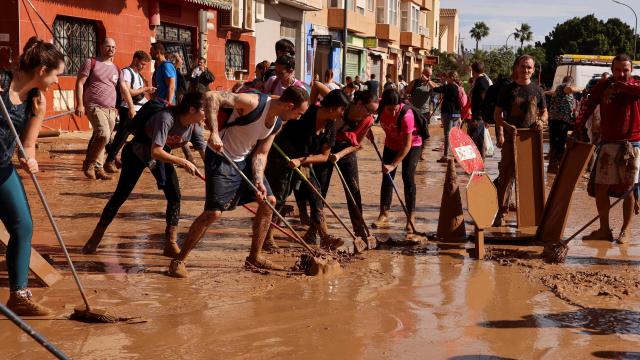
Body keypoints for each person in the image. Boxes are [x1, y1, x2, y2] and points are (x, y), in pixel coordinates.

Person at [166, 87, 310, 277]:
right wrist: (214, 133)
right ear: (290, 106)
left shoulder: (277, 123)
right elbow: (211, 96)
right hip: (220, 157)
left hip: (244, 160)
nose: (298, 118)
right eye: (298, 113)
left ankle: (254, 257)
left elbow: (261, 153)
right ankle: (179, 260)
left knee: (269, 201)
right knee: (213, 213)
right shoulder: (253, 103)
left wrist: (258, 180)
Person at [83, 92, 207, 256]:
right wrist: (183, 162)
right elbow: (156, 152)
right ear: (192, 109)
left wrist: (214, 177)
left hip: (162, 154)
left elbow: (204, 153)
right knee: (121, 195)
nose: (209, 114)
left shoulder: (195, 127)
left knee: (175, 196)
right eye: (206, 110)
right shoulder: (166, 118)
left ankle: (170, 243)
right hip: (138, 151)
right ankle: (96, 237)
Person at [1, 37, 64, 315]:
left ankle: (19, 296)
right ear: (41, 70)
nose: (58, 81)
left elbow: (27, 145)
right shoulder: (0, 82)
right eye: (57, 74)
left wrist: (31, 159)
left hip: (2, 169)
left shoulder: (37, 102)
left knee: (23, 226)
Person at [263, 89, 349, 250]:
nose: (342, 114)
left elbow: (324, 156)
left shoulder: (330, 126)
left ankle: (325, 237)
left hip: (302, 160)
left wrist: (302, 160)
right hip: (281, 157)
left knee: (316, 194)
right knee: (279, 197)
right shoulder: (307, 113)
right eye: (341, 109)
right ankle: (267, 238)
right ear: (332, 107)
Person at [575, 54, 640, 244]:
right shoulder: (602, 86)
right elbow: (587, 106)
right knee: (600, 188)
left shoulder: (635, 85)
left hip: (632, 144)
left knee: (629, 189)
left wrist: (617, 86)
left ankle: (625, 231)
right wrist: (577, 127)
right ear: (612, 70)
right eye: (618, 70)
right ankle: (604, 229)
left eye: (625, 70)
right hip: (608, 142)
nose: (621, 73)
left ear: (631, 70)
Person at [313, 86, 379, 239]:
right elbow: (316, 86)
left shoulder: (368, 120)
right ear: (359, 103)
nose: (370, 115)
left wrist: (340, 155)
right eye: (369, 110)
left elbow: (357, 145)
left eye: (373, 112)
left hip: (346, 151)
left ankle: (359, 229)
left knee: (353, 190)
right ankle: (315, 228)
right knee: (320, 190)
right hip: (326, 147)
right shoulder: (340, 108)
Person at [492, 55, 547, 227]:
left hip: (530, 142)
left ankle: (528, 217)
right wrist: (506, 127)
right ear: (517, 67)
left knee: (528, 179)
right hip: (511, 140)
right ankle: (501, 214)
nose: (526, 70)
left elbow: (544, 112)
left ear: (533, 70)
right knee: (506, 178)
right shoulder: (508, 90)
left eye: (529, 67)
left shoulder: (538, 90)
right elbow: (496, 115)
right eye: (523, 67)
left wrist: (541, 121)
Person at [372, 89, 423, 233]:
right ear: (383, 106)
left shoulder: (407, 116)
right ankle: (384, 213)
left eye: (395, 109)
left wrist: (394, 165)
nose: (393, 113)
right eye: (389, 109)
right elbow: (367, 117)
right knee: (387, 177)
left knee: (408, 177)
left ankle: (411, 216)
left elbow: (407, 145)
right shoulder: (379, 110)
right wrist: (367, 131)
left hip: (412, 145)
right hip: (391, 144)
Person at [75, 38, 119, 180]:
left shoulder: (116, 68)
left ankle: (99, 168)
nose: (111, 49)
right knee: (103, 134)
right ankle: (89, 163)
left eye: (113, 47)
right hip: (94, 106)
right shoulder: (91, 62)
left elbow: (121, 88)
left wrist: (127, 106)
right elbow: (80, 83)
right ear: (101, 47)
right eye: (108, 46)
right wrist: (80, 104)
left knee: (104, 139)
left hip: (111, 109)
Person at [104, 50, 155, 171]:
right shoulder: (126, 72)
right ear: (136, 60)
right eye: (142, 64)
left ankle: (132, 159)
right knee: (123, 135)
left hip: (138, 109)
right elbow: (127, 91)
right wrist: (145, 89)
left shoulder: (138, 75)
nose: (143, 67)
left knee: (143, 135)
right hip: (128, 108)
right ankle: (110, 160)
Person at [546, 75, 580, 173]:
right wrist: (582, 88)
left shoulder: (559, 89)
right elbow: (569, 88)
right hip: (560, 121)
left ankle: (552, 166)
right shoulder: (565, 86)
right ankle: (558, 167)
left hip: (555, 120)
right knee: (560, 144)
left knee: (555, 143)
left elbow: (551, 93)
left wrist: (543, 92)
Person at [433, 71, 463, 163]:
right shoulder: (458, 87)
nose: (446, 79)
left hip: (448, 114)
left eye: (447, 77)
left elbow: (436, 89)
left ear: (451, 78)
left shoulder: (449, 87)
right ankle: (457, 156)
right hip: (456, 114)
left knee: (447, 135)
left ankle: (445, 156)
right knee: (454, 135)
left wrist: (429, 82)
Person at [469, 61, 492, 158]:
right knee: (479, 141)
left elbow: (485, 100)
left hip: (479, 117)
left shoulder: (481, 81)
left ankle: (475, 164)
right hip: (479, 116)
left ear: (473, 70)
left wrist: (486, 117)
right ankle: (480, 166)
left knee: (472, 141)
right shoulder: (481, 80)